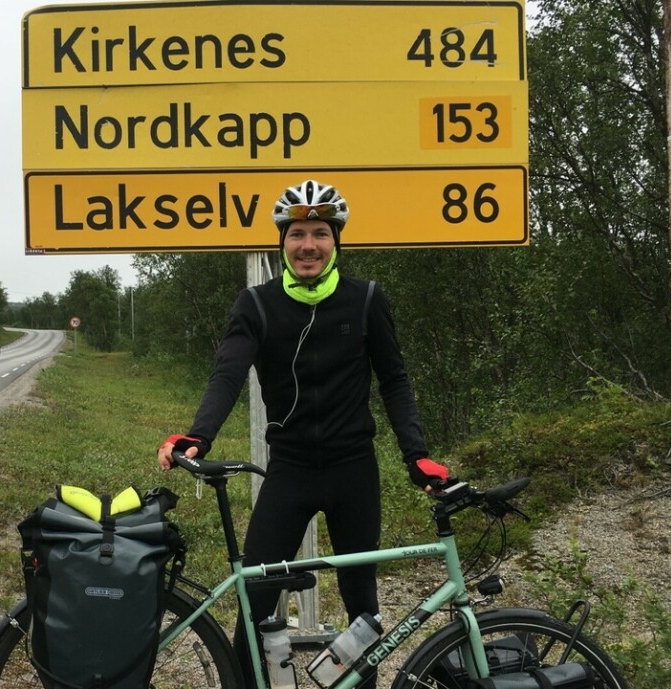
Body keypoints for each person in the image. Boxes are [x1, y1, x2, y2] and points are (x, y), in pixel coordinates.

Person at [157, 179, 451, 689]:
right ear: (283, 242)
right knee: (256, 600)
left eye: (319, 233)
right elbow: (227, 374)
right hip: (290, 472)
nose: (308, 245)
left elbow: (396, 381)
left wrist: (416, 455)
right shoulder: (257, 305)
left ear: (336, 240)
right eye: (297, 234)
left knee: (364, 607)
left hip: (353, 471)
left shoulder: (365, 301)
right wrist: (197, 436)